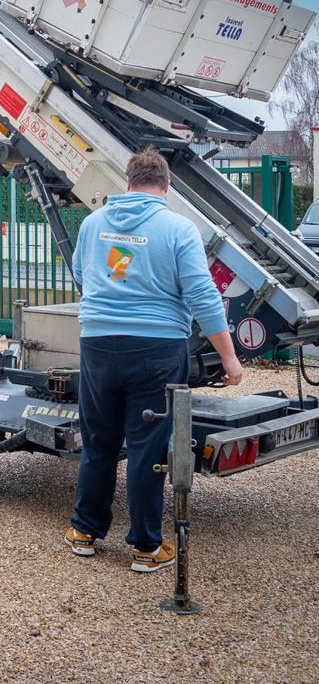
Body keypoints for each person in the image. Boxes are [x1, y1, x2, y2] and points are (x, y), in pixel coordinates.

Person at [64, 146, 243, 572]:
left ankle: (85, 531)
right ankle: (146, 547)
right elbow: (202, 296)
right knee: (147, 446)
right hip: (157, 349)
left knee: (99, 438)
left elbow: (81, 274)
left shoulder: (92, 223)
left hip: (98, 346)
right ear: (167, 187)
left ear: (127, 183)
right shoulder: (178, 228)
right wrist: (230, 360)